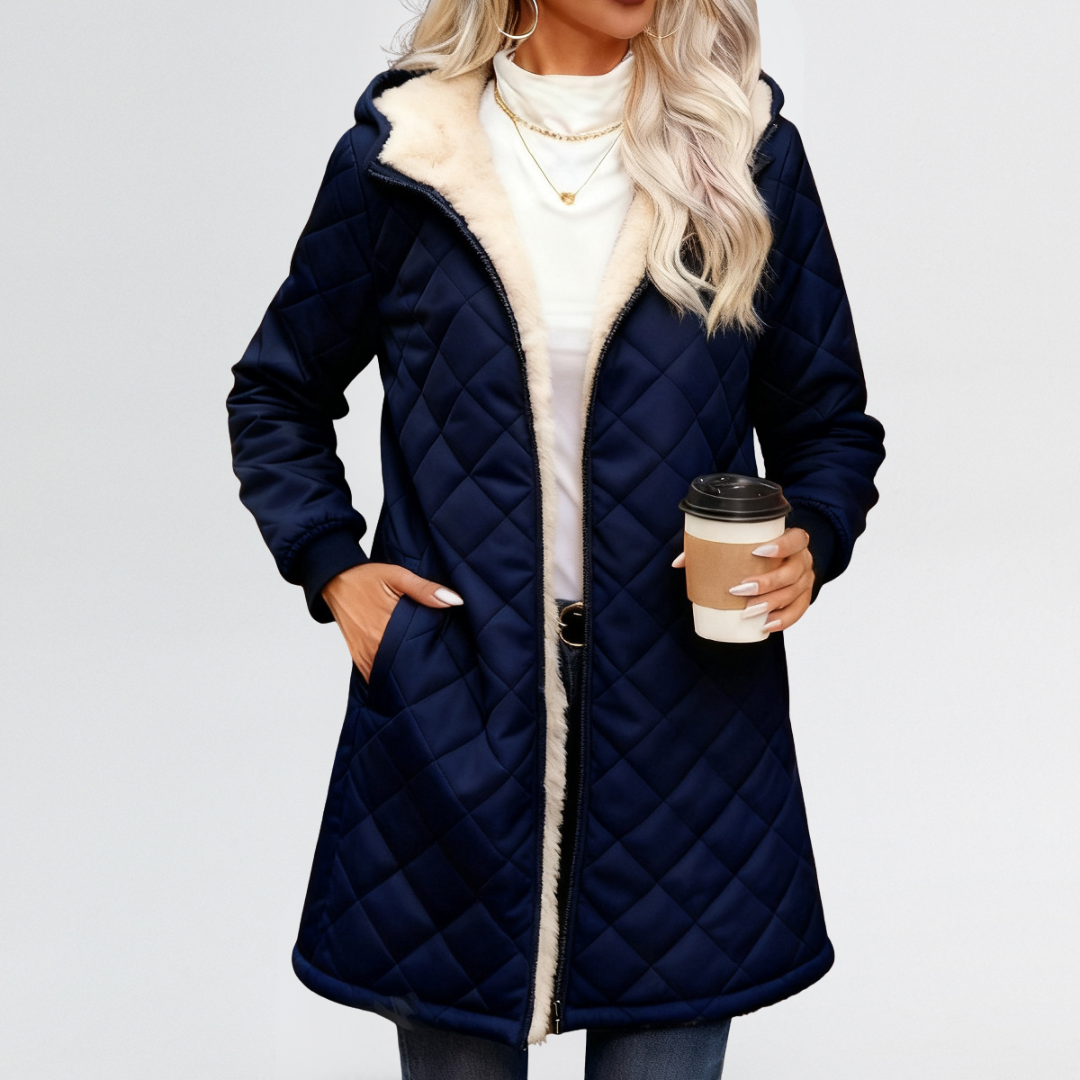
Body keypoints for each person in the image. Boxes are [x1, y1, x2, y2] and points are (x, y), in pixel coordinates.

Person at [226, 0, 886, 1076]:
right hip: (456, 714)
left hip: (687, 728)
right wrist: (335, 570)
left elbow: (829, 425)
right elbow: (277, 393)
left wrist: (813, 534)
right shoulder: (407, 161)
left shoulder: (745, 152)